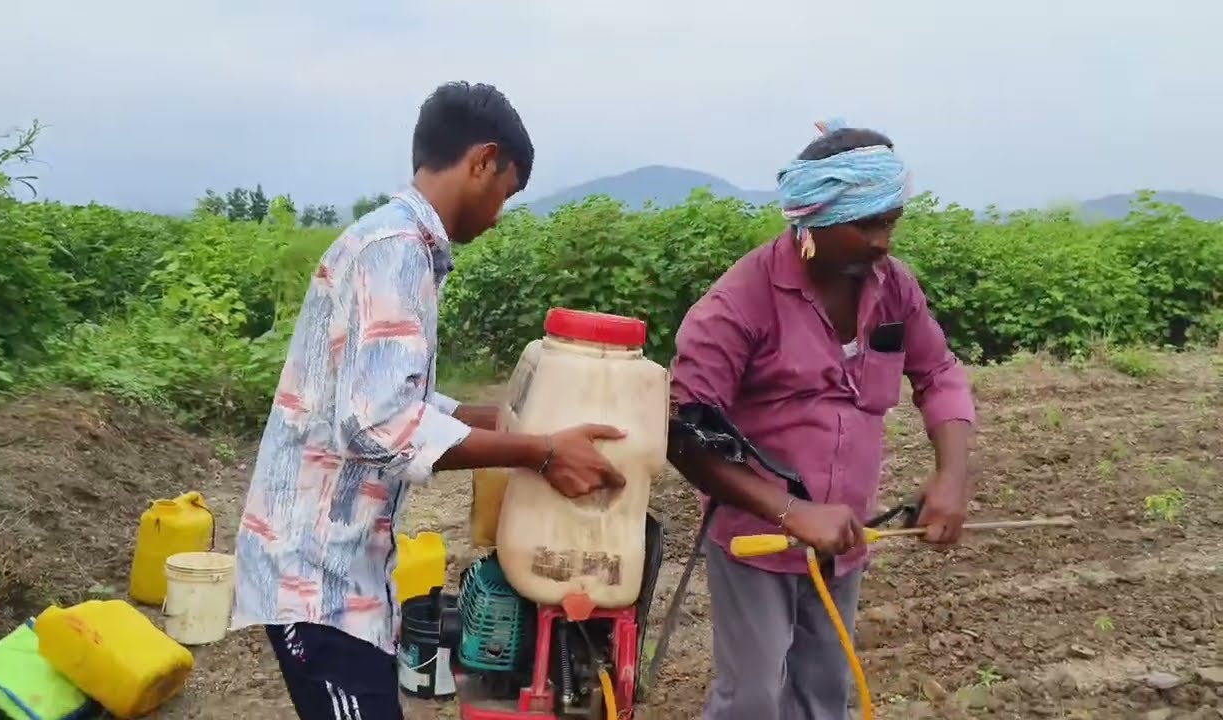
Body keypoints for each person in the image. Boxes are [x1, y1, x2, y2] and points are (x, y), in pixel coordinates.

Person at [229, 81, 628, 720]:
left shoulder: (399, 247)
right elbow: (380, 427)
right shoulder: (393, 254)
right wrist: (541, 452)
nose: (499, 214)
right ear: (482, 161)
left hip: (348, 571)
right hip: (315, 576)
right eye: (506, 191)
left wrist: (515, 422)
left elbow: (404, 397)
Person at [667, 119, 977, 720]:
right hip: (757, 540)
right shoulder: (739, 304)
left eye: (890, 222)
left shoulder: (893, 288)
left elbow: (939, 374)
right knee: (752, 699)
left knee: (822, 694)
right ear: (815, 222)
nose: (884, 241)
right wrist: (792, 511)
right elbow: (687, 437)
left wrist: (952, 476)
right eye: (868, 225)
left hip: (845, 538)